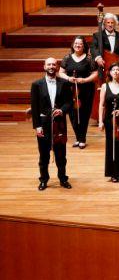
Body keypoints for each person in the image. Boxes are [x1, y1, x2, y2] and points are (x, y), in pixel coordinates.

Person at [31, 57, 73, 191]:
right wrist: (37, 126)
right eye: (49, 64)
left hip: (59, 124)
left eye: (54, 64)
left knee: (61, 154)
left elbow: (69, 103)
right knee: (44, 155)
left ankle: (63, 178)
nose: (51, 66)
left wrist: (62, 110)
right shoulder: (36, 84)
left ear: (57, 67)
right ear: (44, 66)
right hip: (43, 124)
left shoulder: (64, 83)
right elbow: (35, 107)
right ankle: (44, 179)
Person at [59, 36, 97, 148]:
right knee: (72, 114)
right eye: (76, 43)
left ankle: (82, 138)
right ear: (73, 45)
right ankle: (78, 137)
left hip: (86, 89)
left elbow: (95, 74)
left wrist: (84, 80)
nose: (78, 45)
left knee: (84, 114)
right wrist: (68, 78)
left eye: (80, 43)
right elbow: (61, 72)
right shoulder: (67, 58)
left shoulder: (89, 58)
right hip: (70, 89)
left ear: (84, 46)